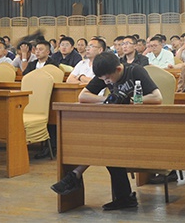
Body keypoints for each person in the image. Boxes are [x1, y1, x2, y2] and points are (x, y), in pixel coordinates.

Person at [50, 52, 162, 210]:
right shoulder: (105, 72)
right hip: (119, 129)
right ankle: (79, 177)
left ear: (118, 69)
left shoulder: (135, 71)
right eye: (102, 80)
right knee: (107, 143)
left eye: (108, 79)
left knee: (108, 146)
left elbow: (157, 97)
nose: (106, 82)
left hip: (141, 126)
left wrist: (131, 101)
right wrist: (108, 99)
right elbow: (83, 96)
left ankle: (75, 175)